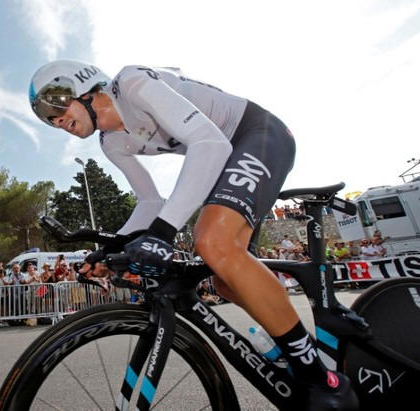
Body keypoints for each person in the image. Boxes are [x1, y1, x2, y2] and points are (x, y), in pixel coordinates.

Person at [29, 60, 357, 408]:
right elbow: (150, 201)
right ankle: (290, 346)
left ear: (84, 84)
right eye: (47, 118)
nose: (56, 121)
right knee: (225, 280)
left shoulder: (132, 83)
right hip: (226, 158)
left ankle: (323, 381)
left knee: (213, 242)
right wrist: (109, 249)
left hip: (257, 134)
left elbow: (209, 143)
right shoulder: (112, 142)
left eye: (55, 104)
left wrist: (163, 233)